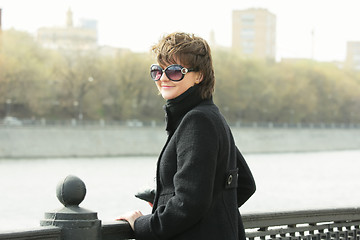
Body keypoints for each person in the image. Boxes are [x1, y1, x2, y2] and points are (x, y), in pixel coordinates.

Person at [117, 32, 256, 240]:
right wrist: (166, 201)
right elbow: (244, 184)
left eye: (174, 72)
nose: (163, 78)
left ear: (199, 75)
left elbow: (188, 203)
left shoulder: (197, 121)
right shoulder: (209, 116)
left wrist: (142, 224)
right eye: (157, 71)